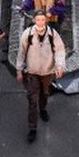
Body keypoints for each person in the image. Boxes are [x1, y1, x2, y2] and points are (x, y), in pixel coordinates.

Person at [16, 10, 66, 142]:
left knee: (45, 95)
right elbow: (21, 53)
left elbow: (60, 50)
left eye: (43, 20)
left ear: (46, 21)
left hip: (47, 72)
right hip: (32, 73)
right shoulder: (27, 35)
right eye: (38, 20)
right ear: (34, 20)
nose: (40, 22)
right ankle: (32, 128)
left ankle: (43, 108)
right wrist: (19, 70)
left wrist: (60, 65)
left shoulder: (52, 34)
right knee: (32, 101)